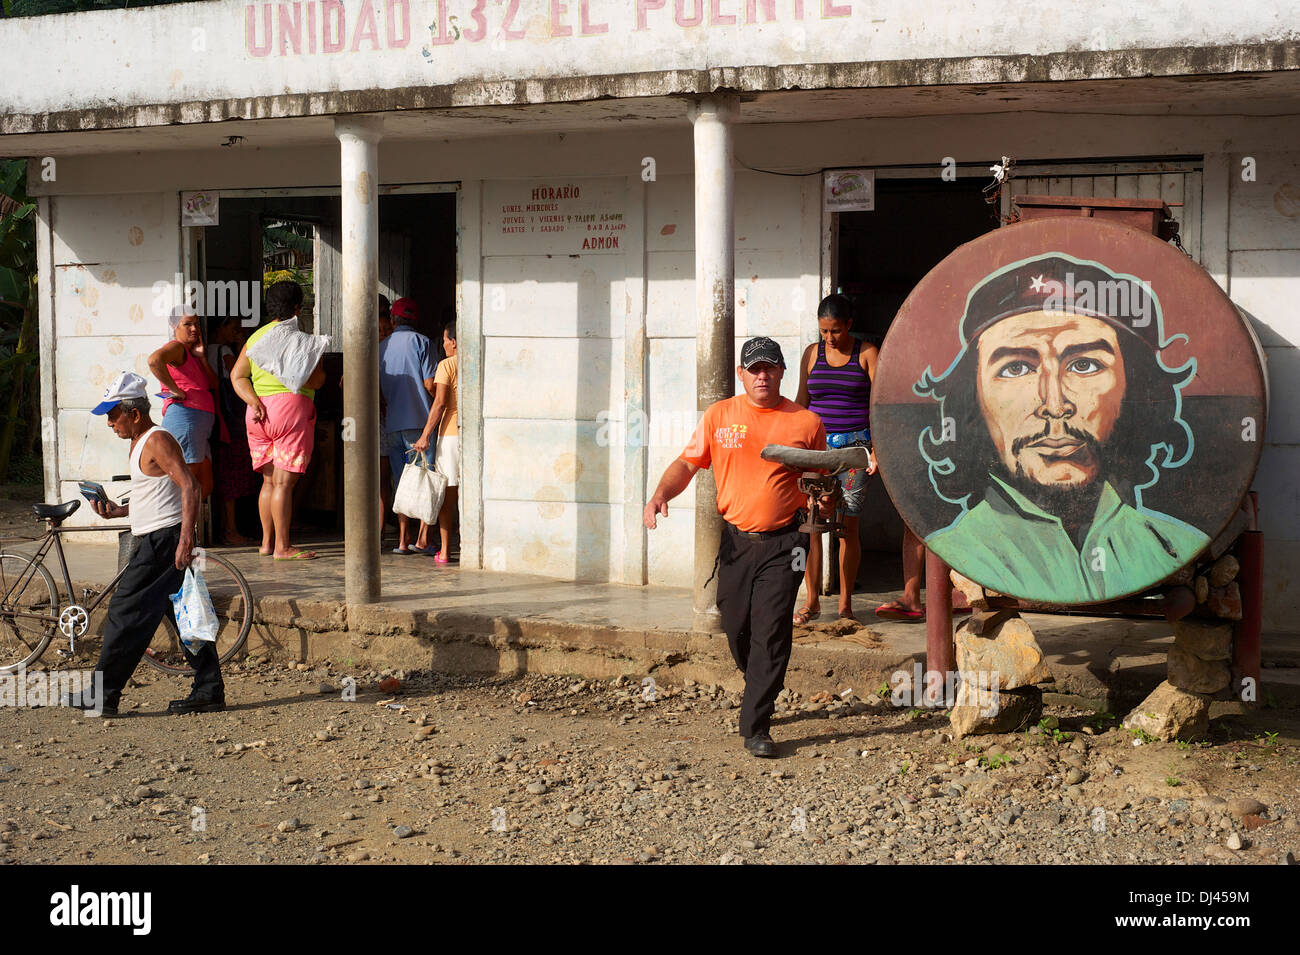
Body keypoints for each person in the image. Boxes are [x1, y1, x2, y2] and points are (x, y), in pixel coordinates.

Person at [914, 253, 1209, 602]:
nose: (1054, 405)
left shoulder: (1174, 547)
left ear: (1135, 386)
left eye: (1084, 364)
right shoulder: (961, 552)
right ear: (972, 394)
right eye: (1016, 368)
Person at [644, 337, 828, 759]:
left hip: (788, 541)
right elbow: (688, 463)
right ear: (742, 375)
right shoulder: (720, 416)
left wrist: (828, 494)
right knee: (735, 624)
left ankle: (757, 724)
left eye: (770, 368)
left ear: (783, 372)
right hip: (736, 541)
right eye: (754, 369)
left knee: (772, 626)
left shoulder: (807, 422)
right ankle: (764, 678)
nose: (762, 375)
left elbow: (822, 478)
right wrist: (660, 494)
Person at [62, 372, 224, 716]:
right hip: (155, 538)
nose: (109, 423)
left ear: (134, 413)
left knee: (124, 611)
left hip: (163, 542)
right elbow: (155, 494)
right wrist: (118, 510)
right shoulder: (140, 443)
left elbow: (190, 487)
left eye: (113, 415)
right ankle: (209, 688)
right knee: (185, 615)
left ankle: (103, 696)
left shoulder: (157, 440)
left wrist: (185, 540)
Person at [793, 294, 878, 623]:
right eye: (824, 331)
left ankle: (845, 605)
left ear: (850, 325)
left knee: (846, 527)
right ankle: (811, 602)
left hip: (856, 450)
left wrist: (878, 450)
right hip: (817, 450)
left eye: (836, 331)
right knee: (811, 525)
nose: (829, 338)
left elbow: (879, 405)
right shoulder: (812, 354)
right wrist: (793, 447)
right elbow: (802, 401)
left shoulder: (867, 353)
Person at [231, 280, 325, 561]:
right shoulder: (304, 341)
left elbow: (237, 376)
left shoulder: (256, 338)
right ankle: (283, 547)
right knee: (284, 485)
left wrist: (253, 401)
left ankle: (266, 543)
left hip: (258, 413)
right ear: (297, 308)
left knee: (269, 483)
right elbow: (317, 381)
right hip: (291, 412)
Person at [379, 297, 437, 554]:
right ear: (416, 320)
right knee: (426, 478)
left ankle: (402, 540)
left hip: (393, 423)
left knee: (400, 481)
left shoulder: (381, 347)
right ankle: (423, 540)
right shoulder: (423, 342)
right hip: (420, 423)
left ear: (393, 320)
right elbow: (429, 384)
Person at [148, 305, 217, 499]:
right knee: (186, 484)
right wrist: (175, 390)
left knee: (204, 484)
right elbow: (154, 361)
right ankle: (180, 528)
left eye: (196, 324)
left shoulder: (190, 353)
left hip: (196, 423)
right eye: (187, 324)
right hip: (186, 418)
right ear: (174, 326)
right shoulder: (176, 347)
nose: (194, 329)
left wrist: (202, 358)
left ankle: (184, 524)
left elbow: (213, 384)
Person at [207, 315, 257, 546]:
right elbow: (240, 376)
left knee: (222, 473)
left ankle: (226, 528)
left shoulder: (206, 350)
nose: (238, 333)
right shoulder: (225, 351)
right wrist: (240, 347)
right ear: (222, 327)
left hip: (216, 420)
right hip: (232, 423)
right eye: (234, 328)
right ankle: (231, 530)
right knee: (232, 475)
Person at [412, 322, 459, 564]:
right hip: (474, 438)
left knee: (447, 498)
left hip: (450, 438)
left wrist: (425, 435)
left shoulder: (446, 365)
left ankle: (446, 551)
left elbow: (440, 403)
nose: (442, 344)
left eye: (444, 340)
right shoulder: (480, 362)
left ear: (454, 342)